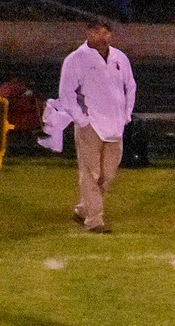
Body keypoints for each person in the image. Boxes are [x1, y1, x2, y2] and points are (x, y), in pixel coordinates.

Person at [58, 18, 136, 234]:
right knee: (90, 172)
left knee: (108, 174)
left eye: (105, 33)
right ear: (88, 34)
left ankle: (84, 208)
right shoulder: (75, 59)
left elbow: (130, 86)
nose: (101, 37)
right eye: (96, 33)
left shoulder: (120, 57)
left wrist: (126, 115)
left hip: (115, 126)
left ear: (110, 35)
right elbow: (66, 94)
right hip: (90, 125)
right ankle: (94, 220)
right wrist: (82, 119)